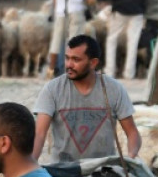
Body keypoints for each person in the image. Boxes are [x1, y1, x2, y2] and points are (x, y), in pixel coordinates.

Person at [32, 34, 141, 163]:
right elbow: (39, 134)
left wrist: (131, 156)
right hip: (63, 170)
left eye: (76, 60)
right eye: (67, 58)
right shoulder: (52, 89)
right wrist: (30, 164)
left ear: (93, 63)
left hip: (103, 170)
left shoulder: (114, 89)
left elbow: (132, 132)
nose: (69, 64)